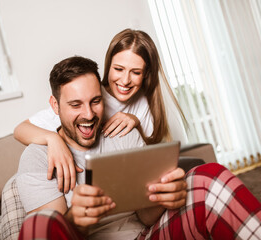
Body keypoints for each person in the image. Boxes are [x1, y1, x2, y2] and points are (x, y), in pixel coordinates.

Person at [16, 56, 261, 240]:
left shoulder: (124, 135)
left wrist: (163, 195)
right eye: (75, 104)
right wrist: (75, 221)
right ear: (55, 106)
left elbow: (146, 217)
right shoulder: (36, 158)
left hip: (145, 236)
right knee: (38, 225)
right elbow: (49, 231)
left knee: (208, 178)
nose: (88, 114)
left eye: (96, 101)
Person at [14, 29, 187, 194]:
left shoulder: (144, 105)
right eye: (119, 69)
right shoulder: (87, 95)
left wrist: (136, 121)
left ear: (146, 74)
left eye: (135, 72)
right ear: (109, 65)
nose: (125, 81)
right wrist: (53, 139)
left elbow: (142, 161)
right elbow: (20, 130)